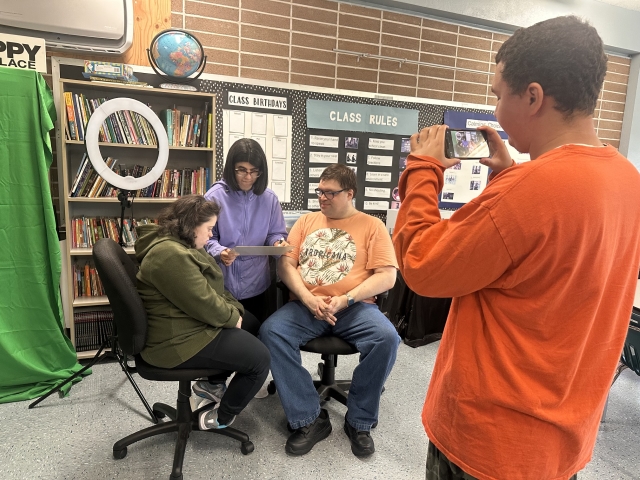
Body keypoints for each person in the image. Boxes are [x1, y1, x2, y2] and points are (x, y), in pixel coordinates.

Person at [392, 16, 640, 480]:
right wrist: (509, 179)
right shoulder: (628, 180)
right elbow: (550, 263)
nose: (496, 108)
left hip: (489, 442)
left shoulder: (529, 190)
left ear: (532, 96)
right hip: (561, 441)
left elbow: (423, 267)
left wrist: (423, 169)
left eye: (497, 94)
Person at [259, 163, 400, 457]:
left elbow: (387, 275)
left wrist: (347, 298)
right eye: (320, 191)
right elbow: (285, 264)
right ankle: (310, 418)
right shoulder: (306, 222)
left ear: (350, 193)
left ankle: (359, 420)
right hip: (307, 304)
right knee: (271, 332)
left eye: (330, 193)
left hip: (354, 307)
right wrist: (307, 298)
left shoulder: (371, 226)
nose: (322, 198)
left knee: (386, 338)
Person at [135, 195, 270, 430]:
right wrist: (230, 317)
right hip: (175, 342)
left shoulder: (180, 243)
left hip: (183, 322)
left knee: (252, 323)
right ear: (190, 225)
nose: (210, 235)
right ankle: (222, 416)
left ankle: (211, 384)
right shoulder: (170, 255)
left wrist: (235, 314)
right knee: (260, 359)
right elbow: (204, 301)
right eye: (208, 228)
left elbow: (211, 290)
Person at [204, 138, 288, 322]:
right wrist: (220, 251)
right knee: (229, 338)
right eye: (241, 170)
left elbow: (275, 233)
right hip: (223, 283)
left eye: (254, 171)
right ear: (231, 168)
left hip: (257, 283)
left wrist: (277, 242)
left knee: (256, 331)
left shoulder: (269, 199)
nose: (248, 177)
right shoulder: (214, 197)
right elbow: (205, 239)